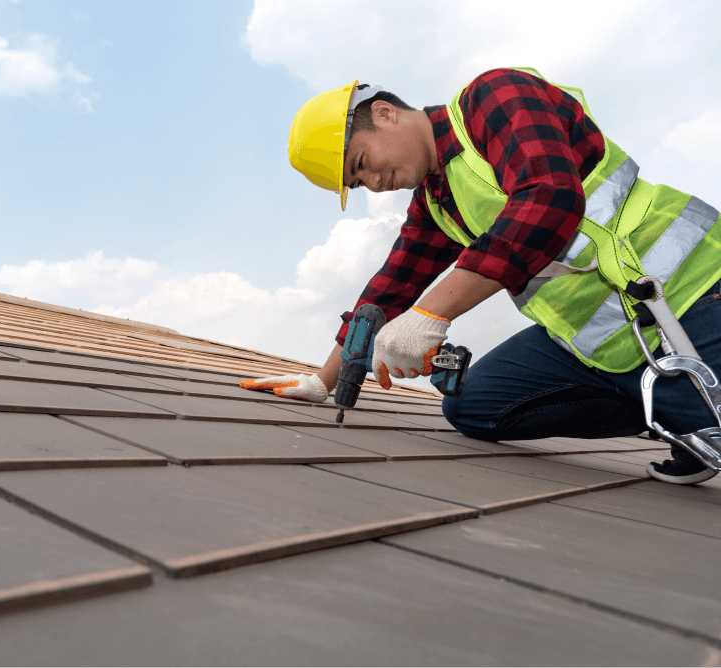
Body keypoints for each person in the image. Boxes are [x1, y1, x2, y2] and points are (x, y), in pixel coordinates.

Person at [241, 68, 721, 485]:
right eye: (358, 183)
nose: (372, 184)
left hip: (694, 293)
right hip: (610, 340)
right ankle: (676, 413)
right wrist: (324, 380)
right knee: (472, 406)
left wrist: (432, 313)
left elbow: (549, 197)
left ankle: (690, 411)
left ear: (384, 114)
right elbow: (394, 282)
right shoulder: (436, 197)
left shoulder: (494, 96)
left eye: (361, 164)